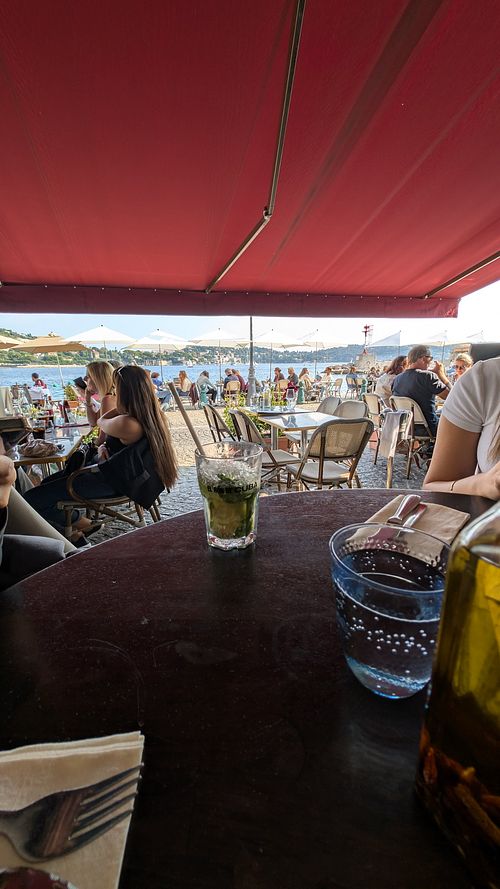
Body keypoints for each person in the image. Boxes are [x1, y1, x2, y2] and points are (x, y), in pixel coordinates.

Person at [25, 366, 178, 538]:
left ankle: (77, 531)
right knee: (46, 483)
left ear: (125, 392)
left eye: (117, 389)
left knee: (32, 499)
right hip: (117, 477)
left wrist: (118, 408)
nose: (114, 391)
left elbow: (101, 420)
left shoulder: (128, 423)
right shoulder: (149, 416)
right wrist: (104, 447)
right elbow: (108, 440)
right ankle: (79, 527)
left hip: (111, 481)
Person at [423, 356, 500, 500]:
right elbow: (448, 394)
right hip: (430, 427)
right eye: (456, 367)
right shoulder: (482, 381)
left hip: (418, 426)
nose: (458, 370)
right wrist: (486, 483)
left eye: (461, 367)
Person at [392, 345, 451, 437]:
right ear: (424, 358)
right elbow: (451, 397)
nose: (431, 361)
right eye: (430, 358)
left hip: (406, 427)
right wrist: (442, 376)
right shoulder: (428, 376)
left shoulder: (397, 379)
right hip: (429, 428)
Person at [84, 360, 117, 436]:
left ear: (98, 379)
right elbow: (94, 422)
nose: (85, 379)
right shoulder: (110, 395)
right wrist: (88, 399)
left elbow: (103, 437)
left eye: (88, 376)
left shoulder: (108, 399)